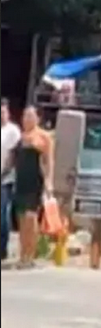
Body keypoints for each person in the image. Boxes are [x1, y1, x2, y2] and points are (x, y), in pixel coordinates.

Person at [12, 106, 54, 268]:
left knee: (31, 217)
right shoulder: (21, 137)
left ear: (38, 118)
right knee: (21, 219)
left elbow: (48, 160)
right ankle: (22, 255)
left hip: (35, 180)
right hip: (21, 180)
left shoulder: (44, 136)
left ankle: (31, 255)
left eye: (30, 116)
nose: (26, 119)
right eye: (25, 116)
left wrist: (49, 182)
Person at [1, 99, 22, 261]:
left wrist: (4, 173)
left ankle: (2, 249)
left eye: (3, 112)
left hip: (5, 179)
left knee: (3, 214)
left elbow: (13, 156)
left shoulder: (12, 131)